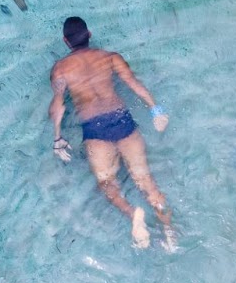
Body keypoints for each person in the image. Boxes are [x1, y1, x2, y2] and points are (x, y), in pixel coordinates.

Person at [48, 16, 175, 249]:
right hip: (122, 121)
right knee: (147, 182)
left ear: (65, 41)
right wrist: (156, 110)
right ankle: (169, 234)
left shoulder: (60, 69)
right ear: (90, 34)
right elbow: (133, 84)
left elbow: (58, 107)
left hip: (95, 129)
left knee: (107, 184)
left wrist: (58, 138)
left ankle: (132, 213)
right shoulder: (110, 57)